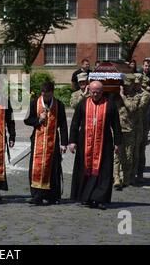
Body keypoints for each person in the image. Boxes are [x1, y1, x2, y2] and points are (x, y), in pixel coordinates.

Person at [69, 81, 122, 210]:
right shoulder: (82, 104)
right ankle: (85, 198)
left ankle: (99, 199)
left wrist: (118, 143)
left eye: (98, 91)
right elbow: (75, 123)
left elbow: (116, 125)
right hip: (85, 144)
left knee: (103, 172)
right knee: (85, 170)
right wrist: (72, 141)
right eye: (93, 91)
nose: (95, 93)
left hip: (104, 144)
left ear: (102, 91)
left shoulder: (110, 105)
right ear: (89, 90)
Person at [24, 81, 68, 205]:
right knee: (36, 167)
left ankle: (52, 196)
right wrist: (39, 120)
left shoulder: (59, 105)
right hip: (37, 141)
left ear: (52, 93)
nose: (45, 97)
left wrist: (64, 143)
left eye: (48, 95)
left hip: (53, 141)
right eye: (43, 94)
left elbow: (63, 124)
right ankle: (37, 195)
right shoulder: (34, 103)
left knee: (53, 168)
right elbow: (27, 120)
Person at [113, 75, 140, 189]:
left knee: (128, 156)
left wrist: (123, 96)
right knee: (117, 155)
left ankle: (127, 178)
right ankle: (116, 178)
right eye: (125, 85)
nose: (126, 87)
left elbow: (132, 108)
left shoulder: (136, 97)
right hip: (117, 130)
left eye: (128, 85)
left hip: (129, 130)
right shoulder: (116, 96)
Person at [133, 73, 150, 185]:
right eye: (134, 83)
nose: (135, 85)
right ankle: (131, 174)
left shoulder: (147, 95)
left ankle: (140, 174)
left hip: (142, 127)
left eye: (137, 83)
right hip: (132, 127)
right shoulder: (131, 93)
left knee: (140, 151)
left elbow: (139, 109)